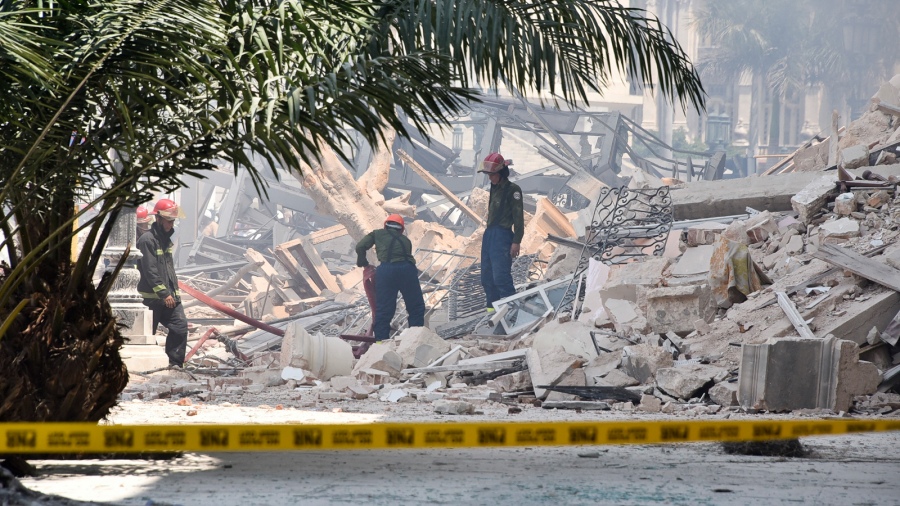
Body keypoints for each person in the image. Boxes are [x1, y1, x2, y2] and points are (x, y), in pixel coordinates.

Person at [355, 214, 425, 342]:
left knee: (384, 309)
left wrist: (363, 263)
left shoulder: (376, 234)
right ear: (401, 229)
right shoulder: (406, 241)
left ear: (385, 225)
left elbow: (360, 246)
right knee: (416, 307)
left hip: (386, 271)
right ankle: (414, 341)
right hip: (407, 270)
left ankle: (381, 344)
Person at [136, 198, 188, 367]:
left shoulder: (164, 240)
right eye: (168, 221)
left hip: (168, 297)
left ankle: (174, 364)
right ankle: (146, 367)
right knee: (148, 335)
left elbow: (168, 269)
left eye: (173, 221)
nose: (171, 225)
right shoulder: (147, 240)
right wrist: (164, 293)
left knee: (180, 327)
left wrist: (173, 293)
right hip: (152, 299)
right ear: (158, 219)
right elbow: (150, 270)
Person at [477, 152, 524, 311]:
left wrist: (516, 241)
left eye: (492, 175)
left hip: (502, 235)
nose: (490, 178)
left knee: (501, 277)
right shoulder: (494, 187)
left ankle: (513, 312)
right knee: (487, 278)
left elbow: (518, 218)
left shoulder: (513, 190)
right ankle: (492, 313)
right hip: (490, 235)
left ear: (501, 173)